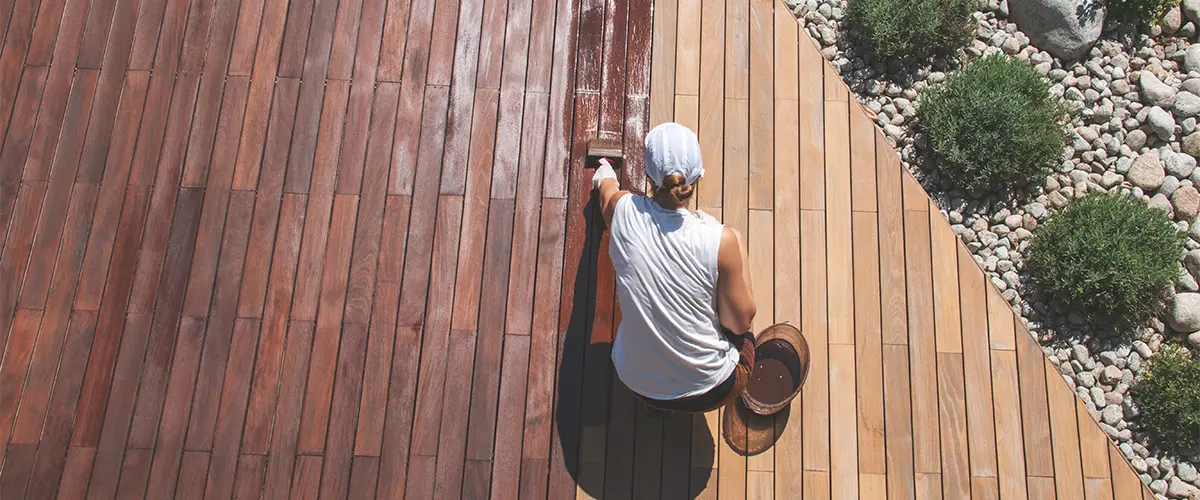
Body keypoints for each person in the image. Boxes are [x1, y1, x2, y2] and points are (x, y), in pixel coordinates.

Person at [591, 122, 757, 413]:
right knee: (741, 309)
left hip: (637, 383)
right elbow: (740, 323)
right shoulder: (720, 239)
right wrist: (733, 244)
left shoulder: (623, 211)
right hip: (713, 388)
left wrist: (604, 172)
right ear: (697, 178)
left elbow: (606, 195)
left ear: (648, 176)